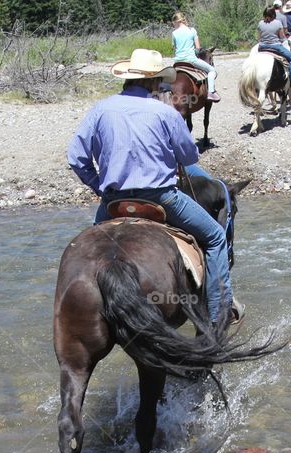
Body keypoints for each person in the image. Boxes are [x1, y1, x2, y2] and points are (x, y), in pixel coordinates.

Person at [67, 49, 240, 325]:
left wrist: (99, 186)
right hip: (161, 199)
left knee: (87, 250)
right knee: (216, 238)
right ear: (154, 82)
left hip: (113, 203)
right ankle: (219, 316)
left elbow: (76, 158)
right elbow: (189, 157)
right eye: (162, 83)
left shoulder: (100, 109)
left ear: (128, 79)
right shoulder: (165, 112)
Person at [172, 12, 220, 102]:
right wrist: (194, 52)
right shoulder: (192, 31)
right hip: (191, 60)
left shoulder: (174, 33)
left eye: (173, 24)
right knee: (212, 70)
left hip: (177, 62)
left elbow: (174, 49)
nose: (174, 26)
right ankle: (211, 92)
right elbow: (198, 48)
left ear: (176, 22)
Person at [258, 6, 291, 87]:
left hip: (262, 47)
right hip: (275, 46)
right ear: (273, 15)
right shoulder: (278, 23)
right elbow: (282, 38)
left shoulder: (260, 23)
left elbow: (259, 37)